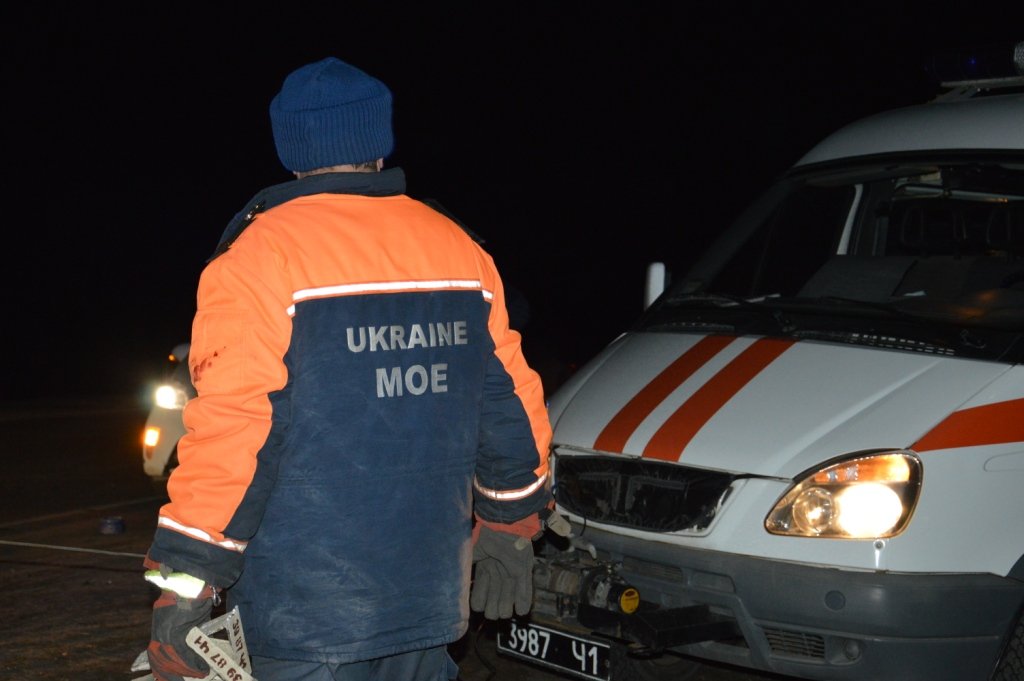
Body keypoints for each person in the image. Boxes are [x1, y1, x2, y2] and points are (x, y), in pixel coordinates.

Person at [143, 56, 557, 681]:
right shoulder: (459, 248)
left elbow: (234, 429)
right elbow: (510, 407)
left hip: (304, 614)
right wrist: (513, 519)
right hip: (428, 596)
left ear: (292, 150)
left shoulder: (259, 257)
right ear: (379, 141)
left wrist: (187, 579)